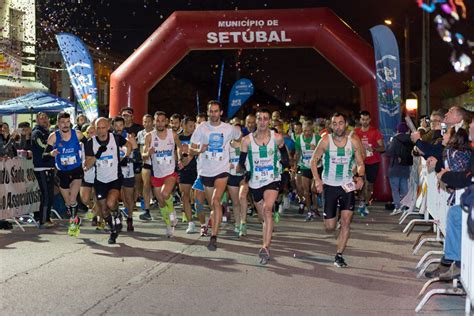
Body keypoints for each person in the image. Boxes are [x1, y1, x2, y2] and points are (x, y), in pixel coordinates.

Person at [310, 112, 365, 268]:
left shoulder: (353, 142)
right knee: (330, 226)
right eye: (335, 123)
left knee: (346, 221)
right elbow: (314, 160)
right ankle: (337, 219)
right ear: (331, 125)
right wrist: (317, 179)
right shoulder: (325, 141)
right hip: (330, 186)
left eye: (341, 123)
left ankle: (339, 255)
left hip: (347, 185)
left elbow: (360, 162)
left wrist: (360, 176)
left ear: (345, 124)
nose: (338, 126)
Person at [238, 108, 289, 264]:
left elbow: (285, 156)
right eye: (259, 119)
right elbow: (241, 162)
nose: (262, 122)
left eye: (265, 119)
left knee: (267, 209)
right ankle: (267, 225)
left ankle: (265, 247)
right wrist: (243, 172)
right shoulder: (246, 141)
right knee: (262, 216)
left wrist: (285, 169)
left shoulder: (278, 138)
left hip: (272, 178)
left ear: (269, 121)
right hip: (255, 181)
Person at [190, 100, 241, 250]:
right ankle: (210, 223)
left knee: (216, 201)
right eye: (211, 111)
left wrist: (234, 145)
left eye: (216, 111)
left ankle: (214, 236)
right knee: (211, 204)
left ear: (221, 112)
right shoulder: (201, 128)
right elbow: (191, 149)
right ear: (208, 113)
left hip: (221, 170)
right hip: (206, 171)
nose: (214, 114)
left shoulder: (229, 128)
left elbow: (240, 139)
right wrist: (200, 149)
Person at [84, 117, 130, 244]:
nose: (101, 131)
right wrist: (97, 154)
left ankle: (116, 217)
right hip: (100, 180)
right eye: (98, 128)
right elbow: (87, 165)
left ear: (108, 127)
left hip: (115, 178)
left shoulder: (115, 138)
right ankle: (113, 227)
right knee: (104, 210)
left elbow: (129, 145)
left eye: (103, 127)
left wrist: (125, 156)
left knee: (110, 203)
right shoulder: (91, 142)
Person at [44, 111, 85, 236]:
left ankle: (73, 223)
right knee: (68, 202)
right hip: (62, 172)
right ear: (58, 123)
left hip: (76, 170)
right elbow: (44, 155)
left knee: (73, 197)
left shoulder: (77, 134)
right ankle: (75, 217)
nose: (65, 125)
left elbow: (89, 146)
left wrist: (88, 160)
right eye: (62, 122)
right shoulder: (53, 137)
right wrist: (51, 153)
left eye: (67, 122)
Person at [142, 111, 182, 237]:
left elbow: (179, 147)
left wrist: (180, 158)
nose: (159, 123)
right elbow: (143, 155)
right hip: (156, 173)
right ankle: (168, 225)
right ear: (154, 122)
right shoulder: (149, 136)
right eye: (157, 121)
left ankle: (172, 214)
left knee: (165, 193)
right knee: (161, 202)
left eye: (162, 120)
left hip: (170, 171)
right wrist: (148, 153)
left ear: (166, 122)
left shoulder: (172, 134)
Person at [354, 110, 384, 216]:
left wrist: (373, 149)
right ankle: (362, 203)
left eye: (367, 119)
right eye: (363, 119)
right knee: (360, 182)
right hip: (360, 161)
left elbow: (382, 148)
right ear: (360, 120)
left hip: (373, 161)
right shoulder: (356, 132)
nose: (365, 121)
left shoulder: (375, 131)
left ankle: (365, 202)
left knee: (370, 184)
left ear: (370, 120)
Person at [112, 116, 138, 232]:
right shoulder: (110, 137)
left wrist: (127, 155)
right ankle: (117, 217)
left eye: (120, 125)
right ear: (113, 126)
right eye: (116, 125)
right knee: (115, 197)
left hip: (128, 170)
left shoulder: (129, 136)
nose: (118, 128)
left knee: (128, 197)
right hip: (114, 172)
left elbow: (136, 151)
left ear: (124, 125)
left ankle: (130, 218)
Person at [178, 116, 203, 234]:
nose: (193, 128)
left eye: (194, 126)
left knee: (199, 197)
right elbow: (176, 151)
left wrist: (187, 159)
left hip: (198, 169)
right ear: (183, 125)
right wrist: (179, 160)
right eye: (190, 126)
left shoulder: (198, 137)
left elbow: (193, 153)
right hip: (184, 171)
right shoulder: (178, 138)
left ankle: (204, 221)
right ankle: (190, 223)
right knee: (185, 196)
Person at [31, 113, 55, 228]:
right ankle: (43, 220)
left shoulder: (48, 132)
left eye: (46, 117)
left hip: (49, 167)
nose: (45, 120)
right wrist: (52, 147)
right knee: (45, 194)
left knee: (50, 194)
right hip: (41, 167)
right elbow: (43, 146)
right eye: (42, 118)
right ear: (37, 120)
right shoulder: (37, 133)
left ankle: (47, 218)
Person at [295, 119, 321, 220]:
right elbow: (297, 153)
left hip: (316, 166)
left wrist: (316, 149)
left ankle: (315, 208)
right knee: (306, 191)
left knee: (313, 189)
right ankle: (309, 211)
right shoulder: (299, 139)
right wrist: (295, 165)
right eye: (305, 130)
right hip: (304, 166)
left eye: (309, 130)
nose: (307, 133)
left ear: (313, 130)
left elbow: (324, 153)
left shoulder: (318, 138)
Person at [385, 122, 412, 215]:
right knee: (404, 188)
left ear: (397, 130)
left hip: (395, 167)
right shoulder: (410, 140)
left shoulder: (395, 139)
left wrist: (388, 144)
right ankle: (405, 206)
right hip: (405, 167)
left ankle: (397, 207)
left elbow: (389, 152)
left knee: (395, 189)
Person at [137, 114, 154, 219]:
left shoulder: (158, 133)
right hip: (146, 162)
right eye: (145, 121)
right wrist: (143, 157)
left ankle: (166, 208)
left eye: (149, 121)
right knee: (146, 185)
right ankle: (147, 210)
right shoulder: (140, 134)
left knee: (159, 188)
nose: (147, 124)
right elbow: (140, 147)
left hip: (160, 163)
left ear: (153, 122)